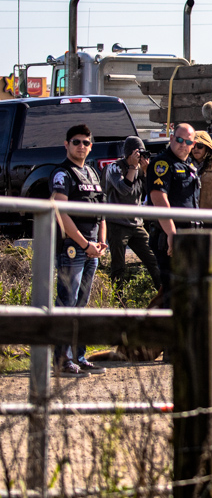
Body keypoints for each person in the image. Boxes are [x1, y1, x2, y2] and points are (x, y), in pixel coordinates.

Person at [50, 124, 108, 377]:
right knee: (67, 302)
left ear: (91, 146)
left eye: (86, 142)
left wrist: (101, 243)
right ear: (66, 144)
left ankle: (79, 356)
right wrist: (85, 244)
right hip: (72, 248)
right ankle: (61, 360)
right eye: (76, 142)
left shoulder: (93, 173)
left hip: (93, 248)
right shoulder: (62, 174)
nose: (81, 146)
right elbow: (60, 212)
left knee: (81, 304)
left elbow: (103, 213)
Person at [147, 123, 200, 301]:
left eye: (188, 142)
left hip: (188, 234)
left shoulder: (189, 164)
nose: (183, 144)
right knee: (174, 291)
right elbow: (159, 199)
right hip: (170, 235)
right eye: (179, 139)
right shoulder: (162, 163)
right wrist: (171, 233)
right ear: (171, 138)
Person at [105, 135, 161, 295]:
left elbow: (150, 192)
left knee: (154, 261)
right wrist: (133, 169)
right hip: (117, 223)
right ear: (129, 153)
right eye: (138, 153)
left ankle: (163, 297)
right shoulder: (114, 167)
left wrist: (146, 172)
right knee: (118, 267)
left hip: (136, 224)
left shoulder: (140, 170)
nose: (140, 157)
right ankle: (118, 303)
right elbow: (124, 189)